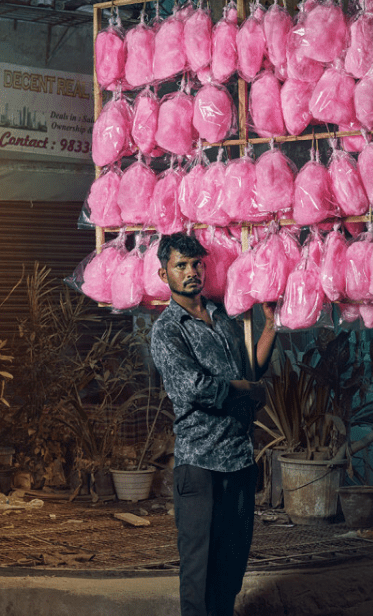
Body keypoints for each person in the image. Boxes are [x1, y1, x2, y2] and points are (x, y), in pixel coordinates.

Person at [149, 232, 277, 616]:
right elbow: (196, 388)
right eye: (181, 266)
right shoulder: (168, 330)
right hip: (200, 463)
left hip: (238, 459)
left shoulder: (223, 316)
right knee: (199, 569)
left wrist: (270, 326)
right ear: (164, 274)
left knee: (231, 565)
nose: (191, 272)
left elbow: (249, 368)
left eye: (196, 264)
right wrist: (249, 391)